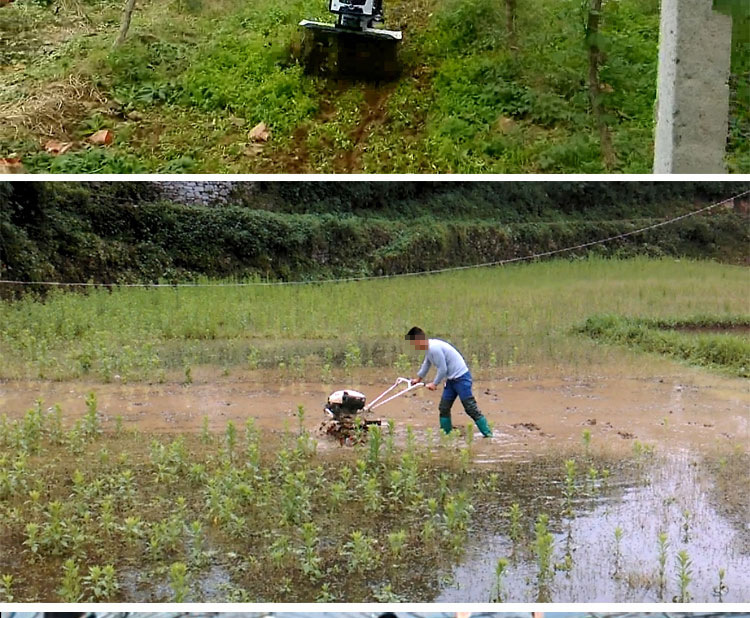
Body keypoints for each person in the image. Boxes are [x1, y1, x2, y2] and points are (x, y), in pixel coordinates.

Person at [405, 326, 492, 437]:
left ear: (419, 340)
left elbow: (443, 369)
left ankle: (488, 435)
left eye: (413, 343)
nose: (413, 347)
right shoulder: (428, 348)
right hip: (451, 381)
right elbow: (427, 363)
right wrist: (418, 379)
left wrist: (434, 383)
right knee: (444, 408)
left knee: (470, 408)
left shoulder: (434, 348)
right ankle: (446, 435)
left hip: (461, 379)